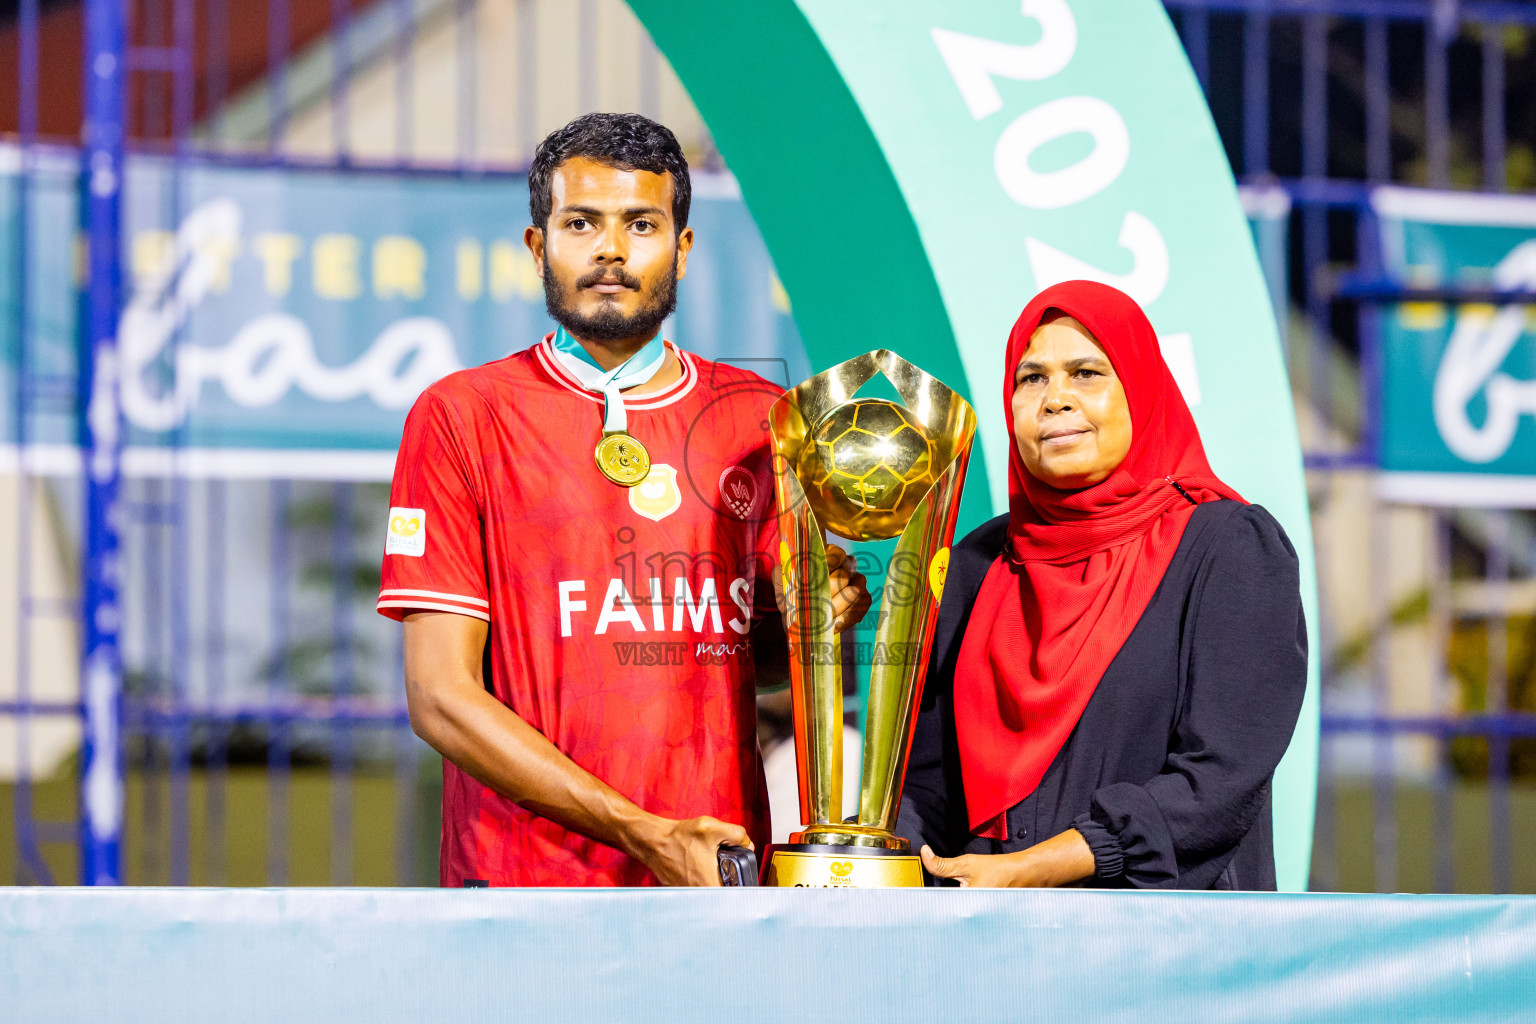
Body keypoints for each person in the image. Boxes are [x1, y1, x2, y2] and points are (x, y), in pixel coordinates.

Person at [377, 113, 869, 887]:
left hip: (719, 876)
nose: (610, 249)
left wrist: (822, 622)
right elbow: (439, 697)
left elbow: (753, 662)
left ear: (683, 246)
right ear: (540, 246)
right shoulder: (463, 416)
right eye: (581, 223)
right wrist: (643, 832)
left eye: (641, 223)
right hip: (521, 893)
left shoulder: (762, 418)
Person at [897, 280, 1306, 889]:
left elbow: (1219, 780)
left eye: (1086, 373)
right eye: (1030, 379)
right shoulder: (976, 566)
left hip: (1161, 951)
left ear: (1140, 390)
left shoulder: (1227, 548)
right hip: (987, 948)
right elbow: (929, 785)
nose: (1055, 399)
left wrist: (1033, 869)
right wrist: (876, 860)